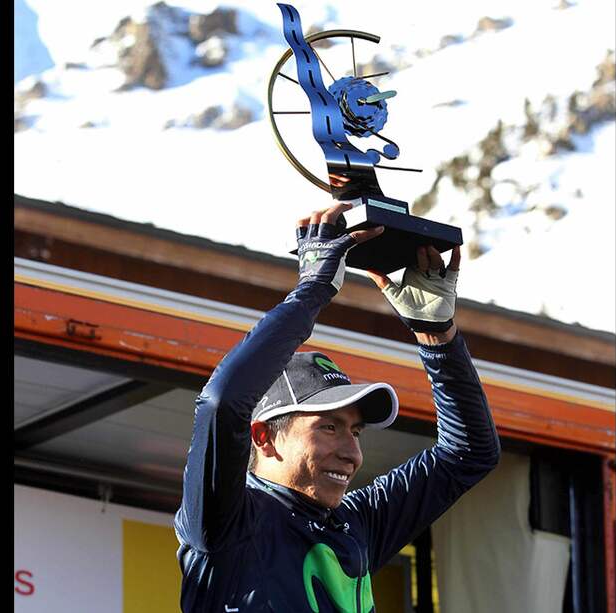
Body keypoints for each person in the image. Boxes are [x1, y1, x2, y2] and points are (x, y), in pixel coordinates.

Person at [175, 202, 501, 612]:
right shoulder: (228, 520)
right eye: (329, 427)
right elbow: (222, 403)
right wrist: (312, 289)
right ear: (264, 436)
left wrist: (437, 336)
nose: (352, 452)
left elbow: (469, 454)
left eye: (355, 430)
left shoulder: (357, 523)